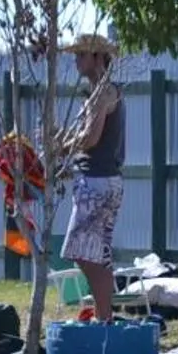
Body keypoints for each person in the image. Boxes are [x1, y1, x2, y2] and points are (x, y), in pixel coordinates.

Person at [58, 32, 125, 320]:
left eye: (82, 55)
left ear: (98, 57)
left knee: (83, 254)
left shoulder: (102, 92)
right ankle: (104, 318)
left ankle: (105, 318)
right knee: (99, 253)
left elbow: (92, 138)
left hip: (96, 182)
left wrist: (61, 146)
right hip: (107, 180)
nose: (76, 60)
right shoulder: (104, 91)